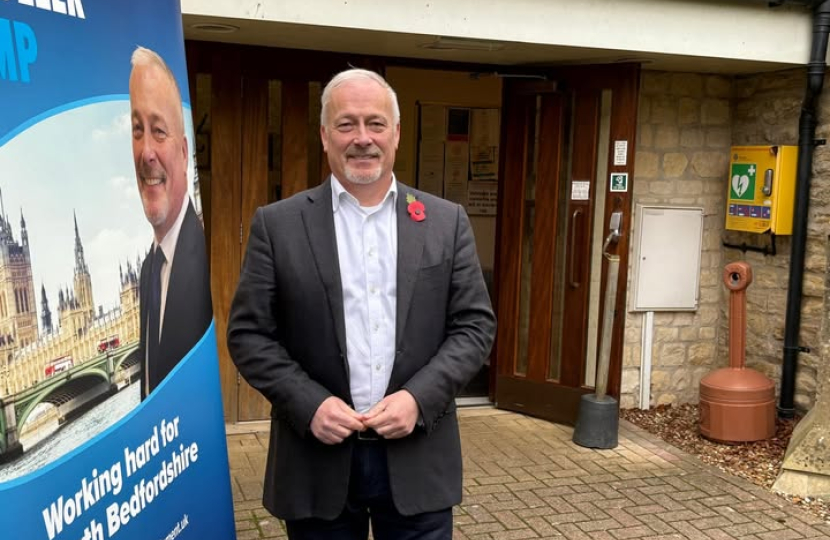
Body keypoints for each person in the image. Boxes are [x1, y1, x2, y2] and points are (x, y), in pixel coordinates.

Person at [227, 68, 496, 539]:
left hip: (419, 458)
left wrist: (418, 398)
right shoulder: (278, 225)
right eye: (346, 124)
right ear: (325, 136)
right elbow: (249, 335)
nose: (362, 138)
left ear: (395, 134)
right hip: (316, 460)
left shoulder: (445, 222)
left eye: (375, 123)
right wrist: (309, 404)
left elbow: (474, 326)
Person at [129, 46, 212, 400]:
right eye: (137, 130)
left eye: (159, 132)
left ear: (183, 152)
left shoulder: (210, 250)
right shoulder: (149, 268)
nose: (146, 152)